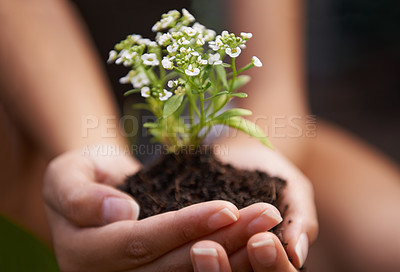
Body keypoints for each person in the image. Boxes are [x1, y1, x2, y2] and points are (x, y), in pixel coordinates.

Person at [0, 1, 399, 272]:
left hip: (206, 128)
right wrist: (90, 148)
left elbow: (272, 93)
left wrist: (254, 142)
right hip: (38, 117)